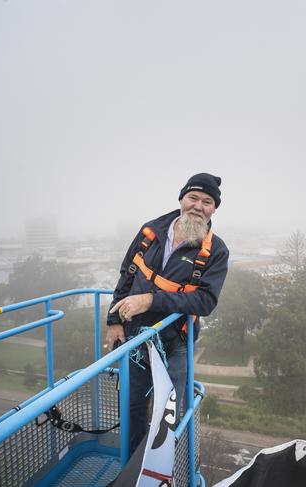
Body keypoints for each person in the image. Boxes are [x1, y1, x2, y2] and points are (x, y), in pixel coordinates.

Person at [106, 173, 229, 455]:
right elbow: (128, 274)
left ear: (213, 209)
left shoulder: (216, 251)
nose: (199, 206)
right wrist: (113, 320)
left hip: (174, 344)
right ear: (181, 199)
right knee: (133, 405)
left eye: (207, 202)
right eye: (193, 198)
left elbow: (206, 300)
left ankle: (160, 474)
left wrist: (151, 300)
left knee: (166, 418)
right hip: (136, 339)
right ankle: (133, 471)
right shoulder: (151, 232)